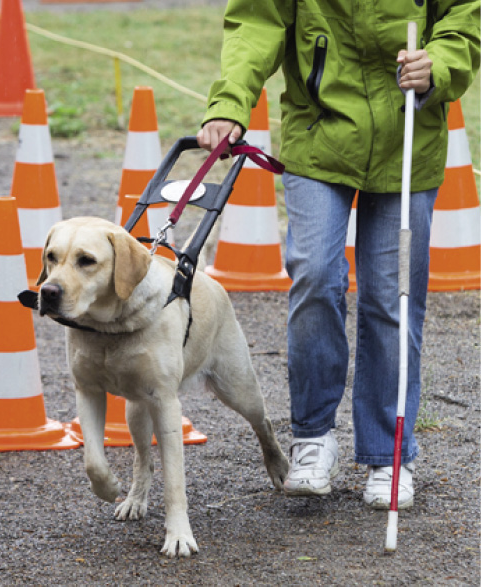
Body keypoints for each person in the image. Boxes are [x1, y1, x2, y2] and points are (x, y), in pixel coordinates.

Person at [197, 1, 480, 508]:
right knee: (315, 273)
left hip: (409, 136)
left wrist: (440, 63)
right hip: (318, 134)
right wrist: (229, 103)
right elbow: (257, 22)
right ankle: (312, 438)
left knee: (392, 297)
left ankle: (388, 455)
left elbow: (465, 17)